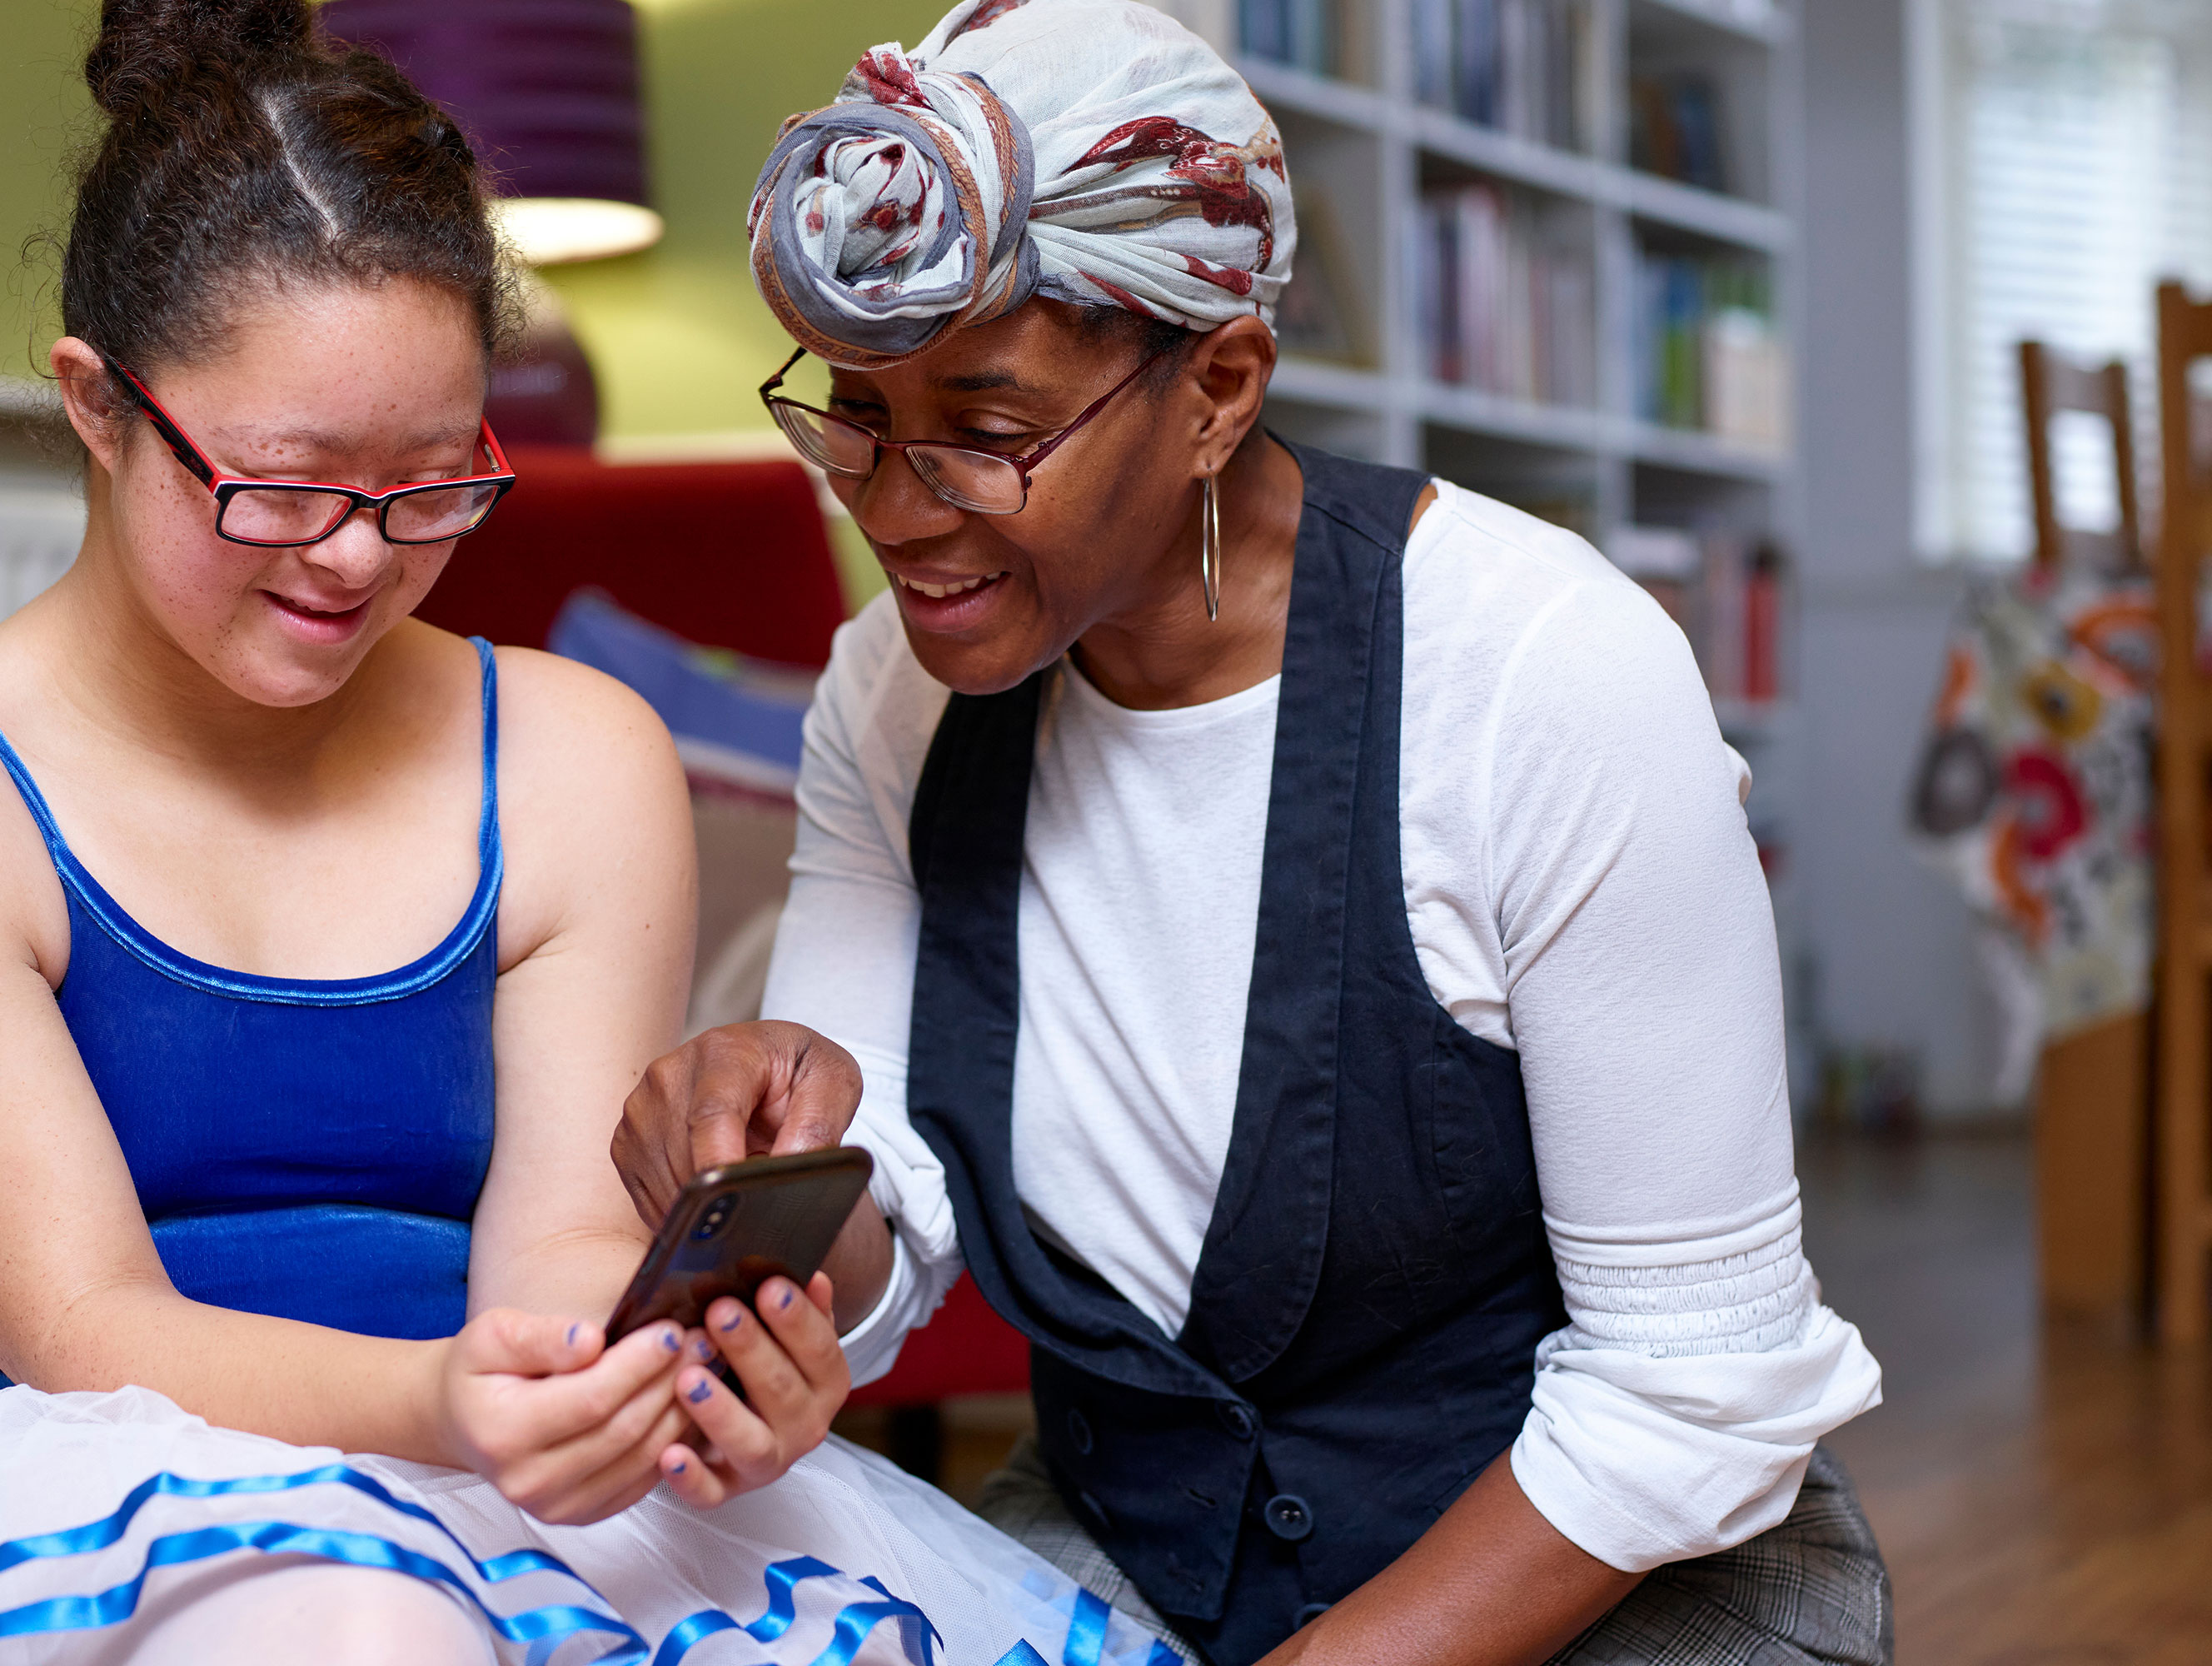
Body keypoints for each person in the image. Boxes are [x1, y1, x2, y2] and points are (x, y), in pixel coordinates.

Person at [0, 5, 1182, 1663]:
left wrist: (655, 1385)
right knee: (359, 1623)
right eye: (281, 484)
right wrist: (442, 1406)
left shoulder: (569, 757)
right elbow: (86, 1329)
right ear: (97, 405)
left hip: (476, 1468)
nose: (355, 557)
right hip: (46, 1488)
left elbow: (559, 1249)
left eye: (429, 485)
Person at [613, 3, 1892, 1664]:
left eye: (986, 434)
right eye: (856, 411)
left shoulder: (1542, 673)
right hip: (1140, 1536)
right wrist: (778, 1197)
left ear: (1218, 387)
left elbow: (1694, 1384)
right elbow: (889, 1229)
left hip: (1613, 1570)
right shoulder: (889, 695)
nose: (893, 509)